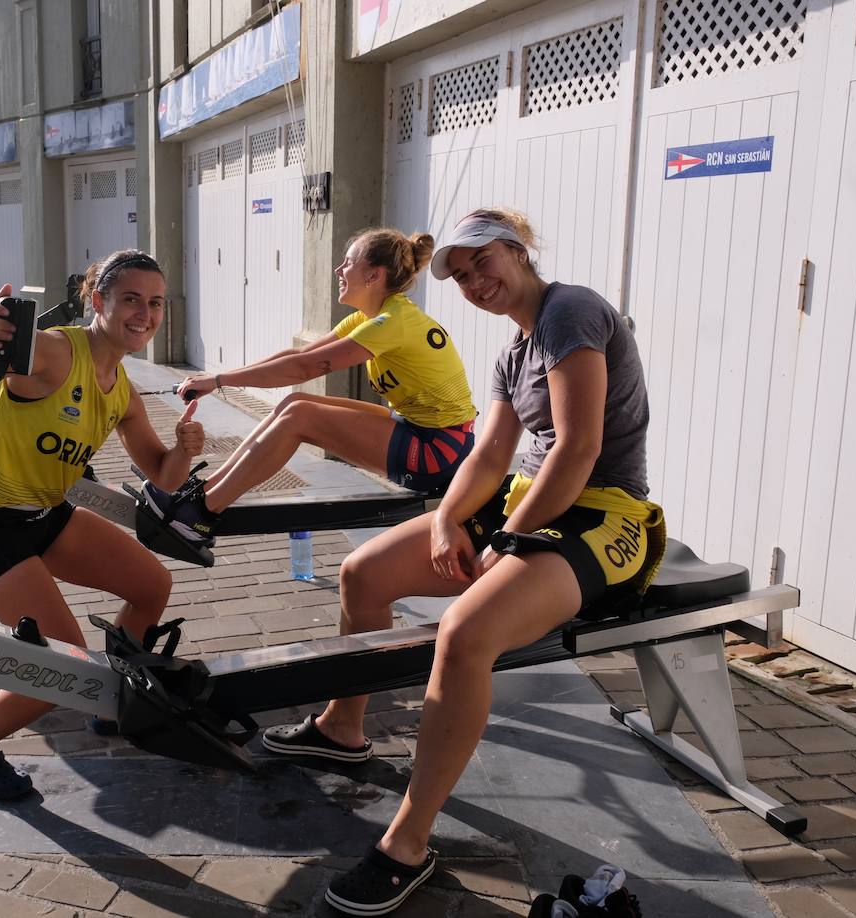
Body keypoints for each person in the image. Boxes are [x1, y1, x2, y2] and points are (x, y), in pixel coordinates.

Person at [283, 209, 665, 916]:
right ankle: (342, 728)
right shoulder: (514, 353)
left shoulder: (570, 310)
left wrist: (510, 538)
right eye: (458, 276)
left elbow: (579, 448)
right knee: (363, 573)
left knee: (464, 635)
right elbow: (489, 454)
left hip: (606, 515)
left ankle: (405, 845)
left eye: (481, 261)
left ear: (518, 251)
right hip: (531, 504)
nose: (473, 281)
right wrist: (453, 520)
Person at [0, 250, 205, 801]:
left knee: (151, 585)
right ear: (97, 300)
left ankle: (115, 700)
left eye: (154, 303)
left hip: (46, 516)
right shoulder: (58, 350)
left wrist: (185, 451)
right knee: (62, 662)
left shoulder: (123, 389)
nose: (144, 314)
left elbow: (162, 474)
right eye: (130, 299)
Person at [140, 228, 477, 551]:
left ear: (374, 276)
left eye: (348, 262)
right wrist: (219, 378)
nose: (338, 269)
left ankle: (199, 517)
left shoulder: (392, 323)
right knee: (295, 402)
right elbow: (301, 356)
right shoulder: (371, 316)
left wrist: (217, 382)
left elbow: (304, 368)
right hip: (423, 430)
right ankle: (204, 494)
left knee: (299, 416)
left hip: (439, 450)